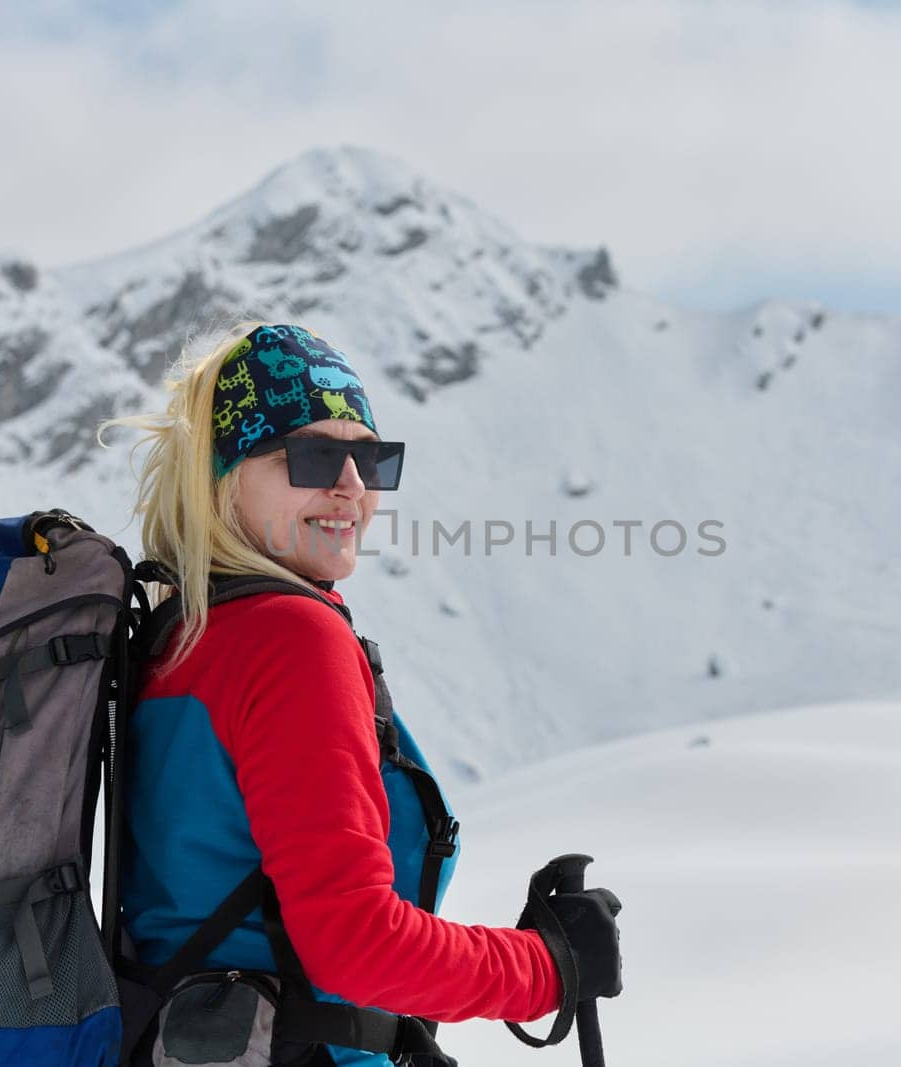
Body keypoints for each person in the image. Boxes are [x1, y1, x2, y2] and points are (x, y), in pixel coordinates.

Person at [105, 322, 623, 1065]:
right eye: (313, 455)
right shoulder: (290, 640)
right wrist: (549, 966)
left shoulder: (177, 637)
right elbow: (356, 944)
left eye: (370, 458)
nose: (351, 484)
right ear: (225, 474)